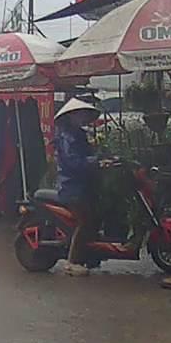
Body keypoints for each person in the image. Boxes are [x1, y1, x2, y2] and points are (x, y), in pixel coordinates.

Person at [53, 98, 103, 277]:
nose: (82, 117)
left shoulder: (79, 134)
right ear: (70, 116)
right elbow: (72, 162)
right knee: (85, 221)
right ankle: (72, 262)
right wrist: (95, 161)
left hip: (83, 184)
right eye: (79, 114)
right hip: (71, 186)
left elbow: (88, 156)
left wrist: (102, 158)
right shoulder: (67, 137)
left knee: (96, 216)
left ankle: (89, 255)